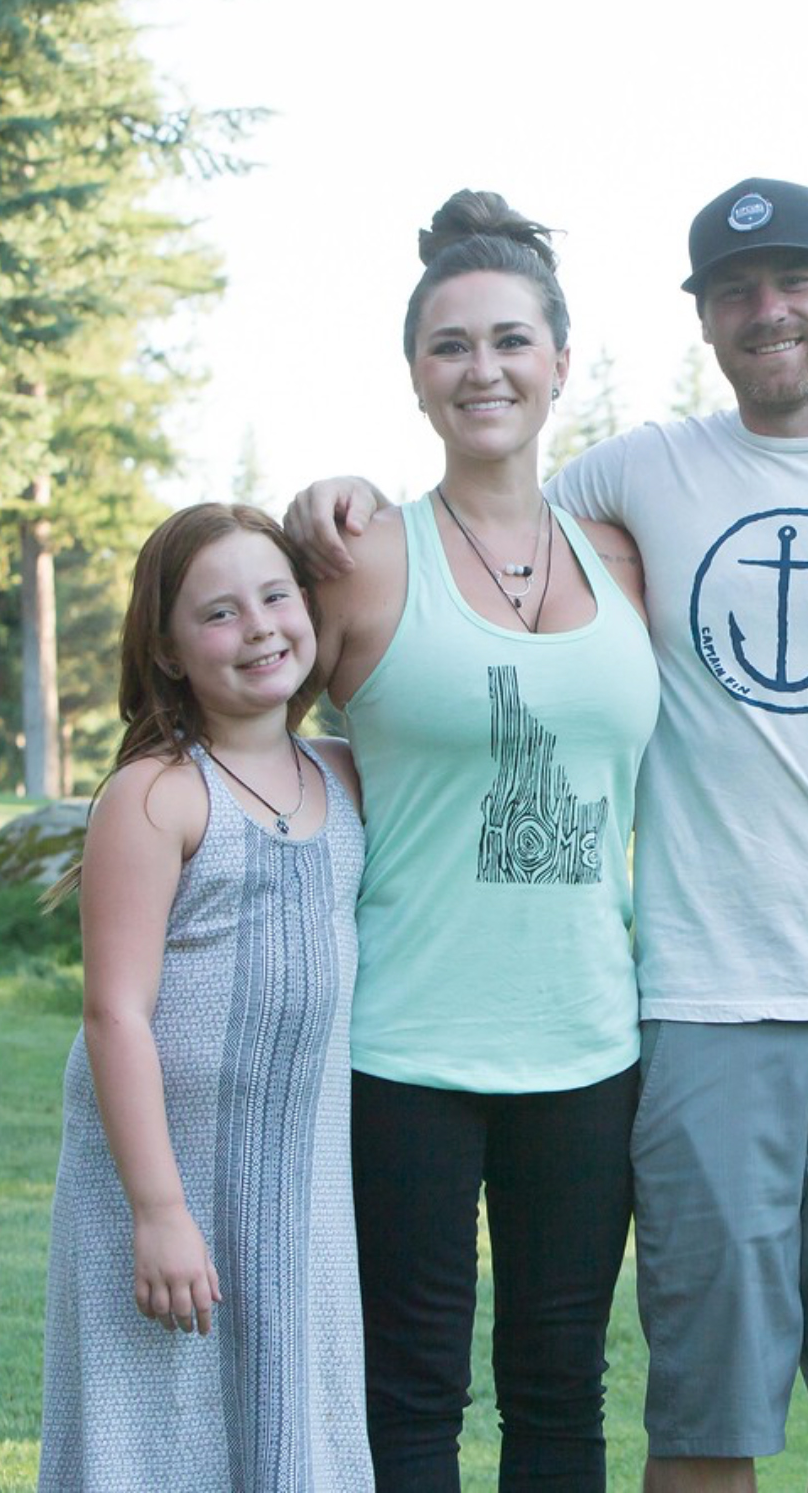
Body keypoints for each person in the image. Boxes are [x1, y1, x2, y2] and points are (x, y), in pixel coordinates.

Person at [293, 176, 808, 1493]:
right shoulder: (635, 479)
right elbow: (481, 513)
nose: (769, 309)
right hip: (698, 1007)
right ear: (703, 319)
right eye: (735, 291)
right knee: (702, 1410)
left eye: (797, 281)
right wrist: (341, 494)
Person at [311, 189, 656, 1491]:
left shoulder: (626, 560)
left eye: (511, 340)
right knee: (408, 1389)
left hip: (587, 1041)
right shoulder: (360, 560)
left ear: (560, 362)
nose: (484, 368)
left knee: (562, 1388)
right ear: (414, 376)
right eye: (451, 346)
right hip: (401, 1044)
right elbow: (241, 730)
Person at [37, 503, 371, 1492]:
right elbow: (114, 1014)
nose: (260, 626)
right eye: (219, 613)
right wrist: (157, 1210)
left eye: (276, 597)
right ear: (171, 650)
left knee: (290, 1428)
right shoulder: (159, 793)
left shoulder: (345, 776)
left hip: (300, 1189)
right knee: (154, 1435)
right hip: (161, 1183)